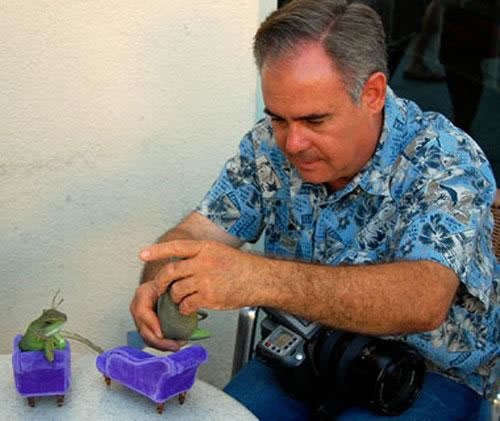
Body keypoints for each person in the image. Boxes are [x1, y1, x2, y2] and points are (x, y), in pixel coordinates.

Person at [130, 0, 499, 419]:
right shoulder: (267, 145)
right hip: (303, 348)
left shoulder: (445, 158)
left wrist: (257, 278)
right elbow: (196, 234)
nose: (292, 143)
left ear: (373, 93)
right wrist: (162, 280)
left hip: (429, 372)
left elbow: (423, 300)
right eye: (279, 118)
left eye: (315, 120)